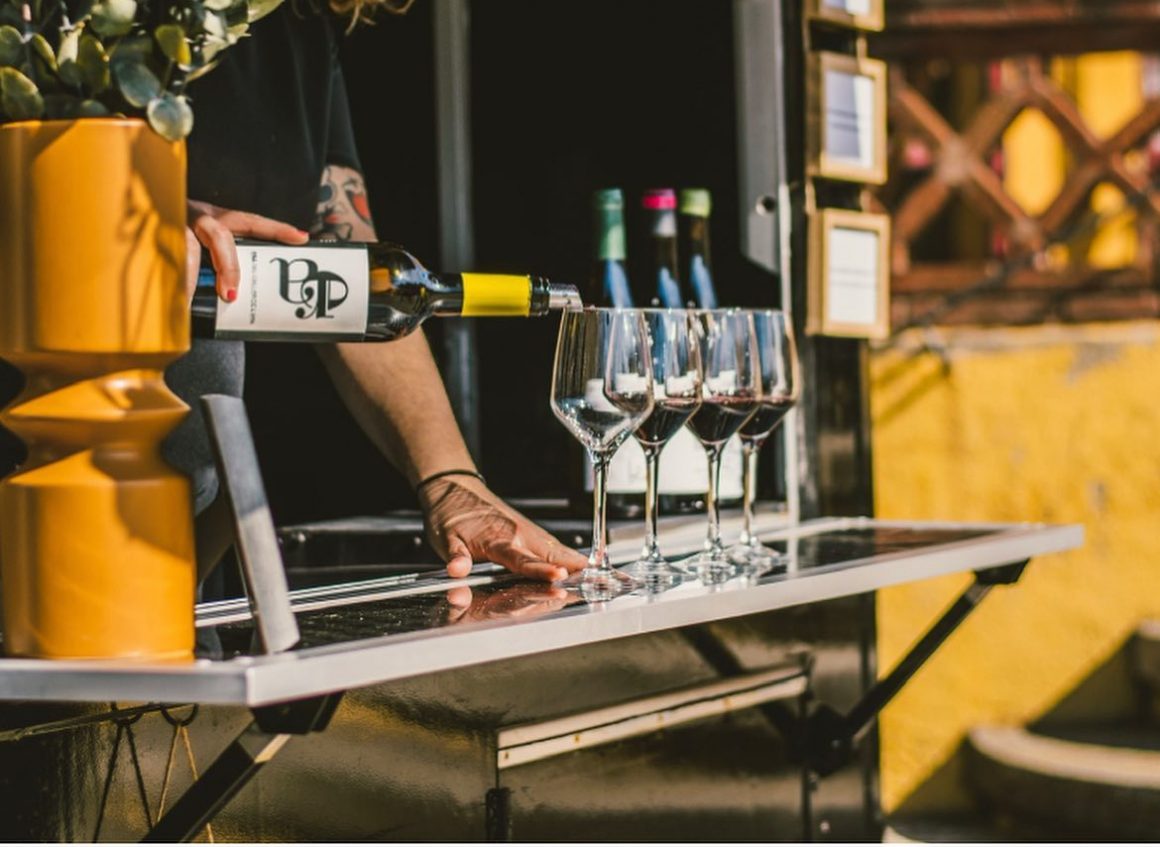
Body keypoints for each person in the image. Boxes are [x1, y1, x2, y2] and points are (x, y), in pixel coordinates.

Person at [166, 0, 587, 584]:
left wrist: (450, 481)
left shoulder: (300, 24)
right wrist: (129, 203)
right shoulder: (94, 24)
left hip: (188, 516)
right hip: (73, 474)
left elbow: (355, 277)